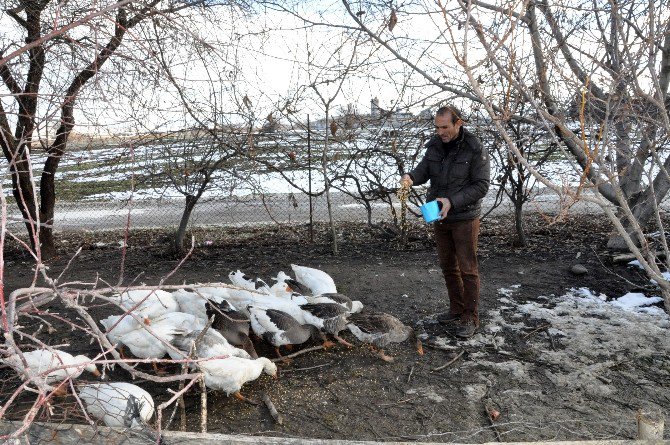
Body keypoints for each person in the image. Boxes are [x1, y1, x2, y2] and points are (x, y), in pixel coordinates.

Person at [401, 105, 490, 338]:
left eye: (445, 127)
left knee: (468, 269)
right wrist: (411, 177)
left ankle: (471, 317)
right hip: (438, 215)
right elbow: (424, 170)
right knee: (448, 266)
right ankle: (456, 308)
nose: (441, 132)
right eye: (437, 127)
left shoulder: (474, 148)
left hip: (464, 217)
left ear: (458, 123)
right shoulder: (435, 145)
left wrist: (452, 200)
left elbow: (481, 186)